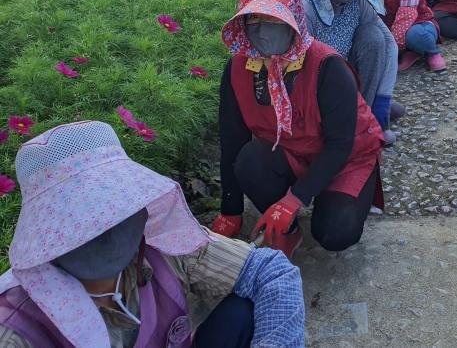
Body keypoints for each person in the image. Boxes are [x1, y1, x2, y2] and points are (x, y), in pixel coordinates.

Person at [0, 120, 305, 348]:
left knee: (242, 313)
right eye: (77, 221)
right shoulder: (17, 327)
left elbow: (271, 272)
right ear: (47, 238)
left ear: (139, 208)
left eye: (110, 210)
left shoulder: (165, 246)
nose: (101, 231)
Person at [215, 0, 385, 258]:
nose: (263, 29)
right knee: (249, 161)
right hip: (290, 151)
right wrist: (230, 208)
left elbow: (340, 144)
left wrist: (295, 199)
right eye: (254, 19)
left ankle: (328, 197)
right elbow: (232, 140)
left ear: (293, 21)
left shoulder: (327, 66)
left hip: (345, 158)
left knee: (335, 232)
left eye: (273, 19)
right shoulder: (238, 68)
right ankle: (288, 231)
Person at [301, 0, 400, 144]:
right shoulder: (305, 7)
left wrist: (382, 100)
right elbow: (299, 66)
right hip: (319, 84)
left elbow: (388, 43)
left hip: (350, 77)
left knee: (373, 36)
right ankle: (344, 121)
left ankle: (366, 115)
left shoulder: (358, 1)